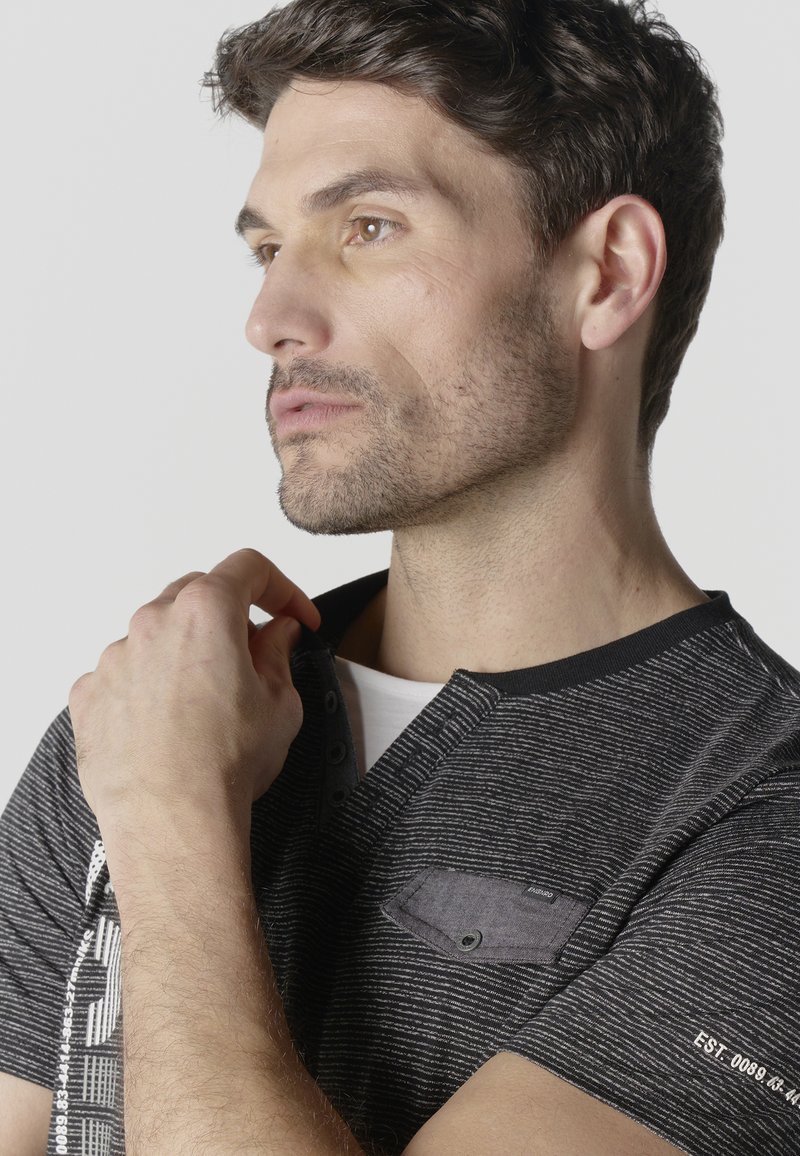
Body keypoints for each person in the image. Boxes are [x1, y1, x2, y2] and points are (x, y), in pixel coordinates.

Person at [2, 0, 799, 1152]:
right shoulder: (156, 707)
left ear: (605, 274)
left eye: (367, 229)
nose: (270, 317)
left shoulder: (761, 809)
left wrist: (169, 823)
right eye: (267, 249)